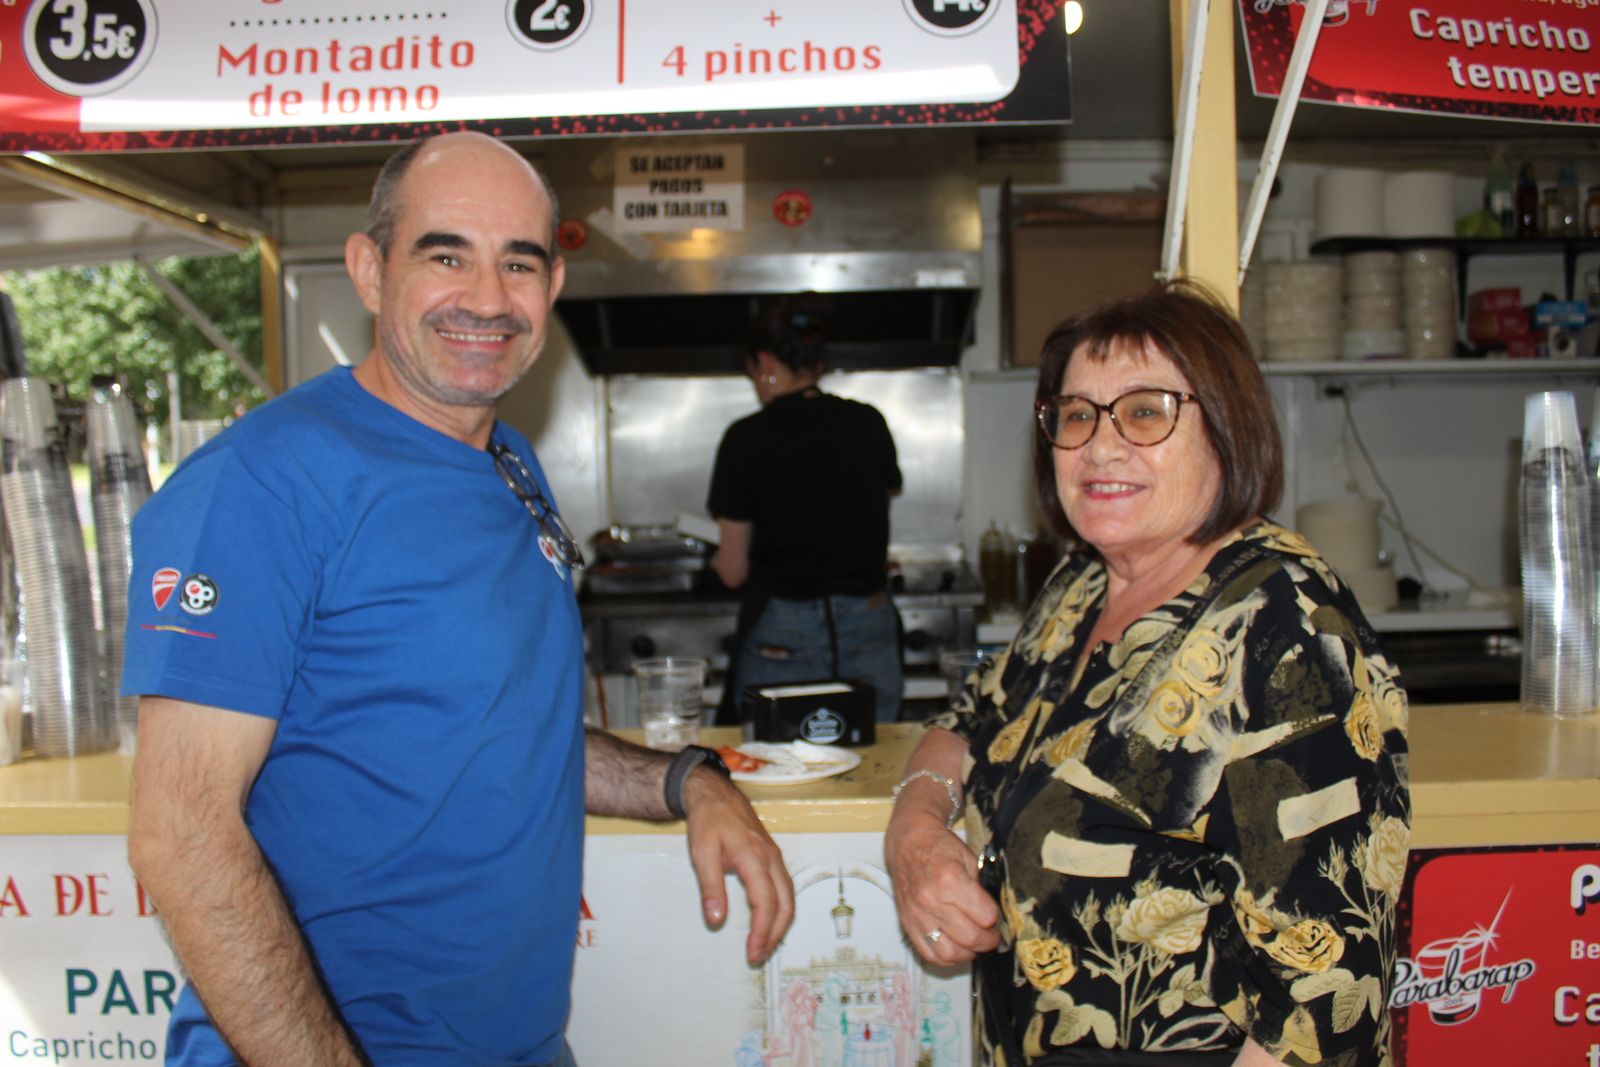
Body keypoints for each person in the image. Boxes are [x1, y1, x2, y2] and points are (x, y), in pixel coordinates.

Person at [123, 132, 794, 1067]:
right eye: (446, 255)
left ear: (551, 288)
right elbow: (182, 833)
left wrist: (685, 779)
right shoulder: (262, 482)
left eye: (517, 262)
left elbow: (510, 732)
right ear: (369, 269)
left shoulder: (511, 467)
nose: (486, 298)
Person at [883, 280, 1410, 1066]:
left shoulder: (1285, 627)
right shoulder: (1082, 586)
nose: (1099, 446)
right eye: (1076, 414)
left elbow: (1323, 1010)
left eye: (1145, 411)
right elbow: (972, 719)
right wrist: (915, 828)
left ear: (1227, 427)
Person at [707, 300, 904, 723]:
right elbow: (871, 513)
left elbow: (733, 571)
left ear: (763, 362)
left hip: (784, 633)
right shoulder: (869, 422)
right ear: (819, 362)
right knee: (876, 762)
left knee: (778, 768)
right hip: (869, 624)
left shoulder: (745, 439)